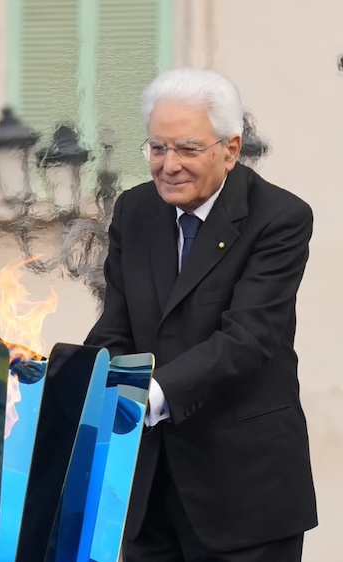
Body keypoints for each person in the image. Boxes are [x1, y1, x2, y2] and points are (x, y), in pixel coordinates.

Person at [85, 67, 318, 561]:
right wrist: (89, 384)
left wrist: (146, 397)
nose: (169, 165)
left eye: (188, 149)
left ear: (230, 150)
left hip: (245, 496)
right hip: (146, 493)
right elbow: (115, 326)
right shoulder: (134, 210)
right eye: (156, 148)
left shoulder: (280, 218)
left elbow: (248, 339)